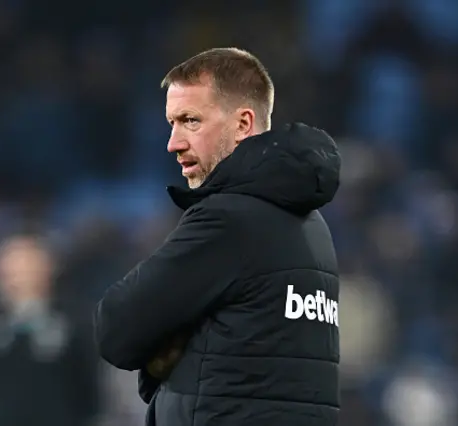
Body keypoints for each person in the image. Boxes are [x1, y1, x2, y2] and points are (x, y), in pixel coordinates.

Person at [94, 47, 341, 426]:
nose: (173, 143)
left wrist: (163, 353)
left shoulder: (230, 219)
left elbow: (116, 329)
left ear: (243, 123)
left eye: (190, 121)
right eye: (171, 123)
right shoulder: (313, 226)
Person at [0, 233, 101, 426]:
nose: (16, 276)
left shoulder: (72, 324)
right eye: (9, 268)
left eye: (25, 267)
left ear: (48, 269)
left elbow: (89, 391)